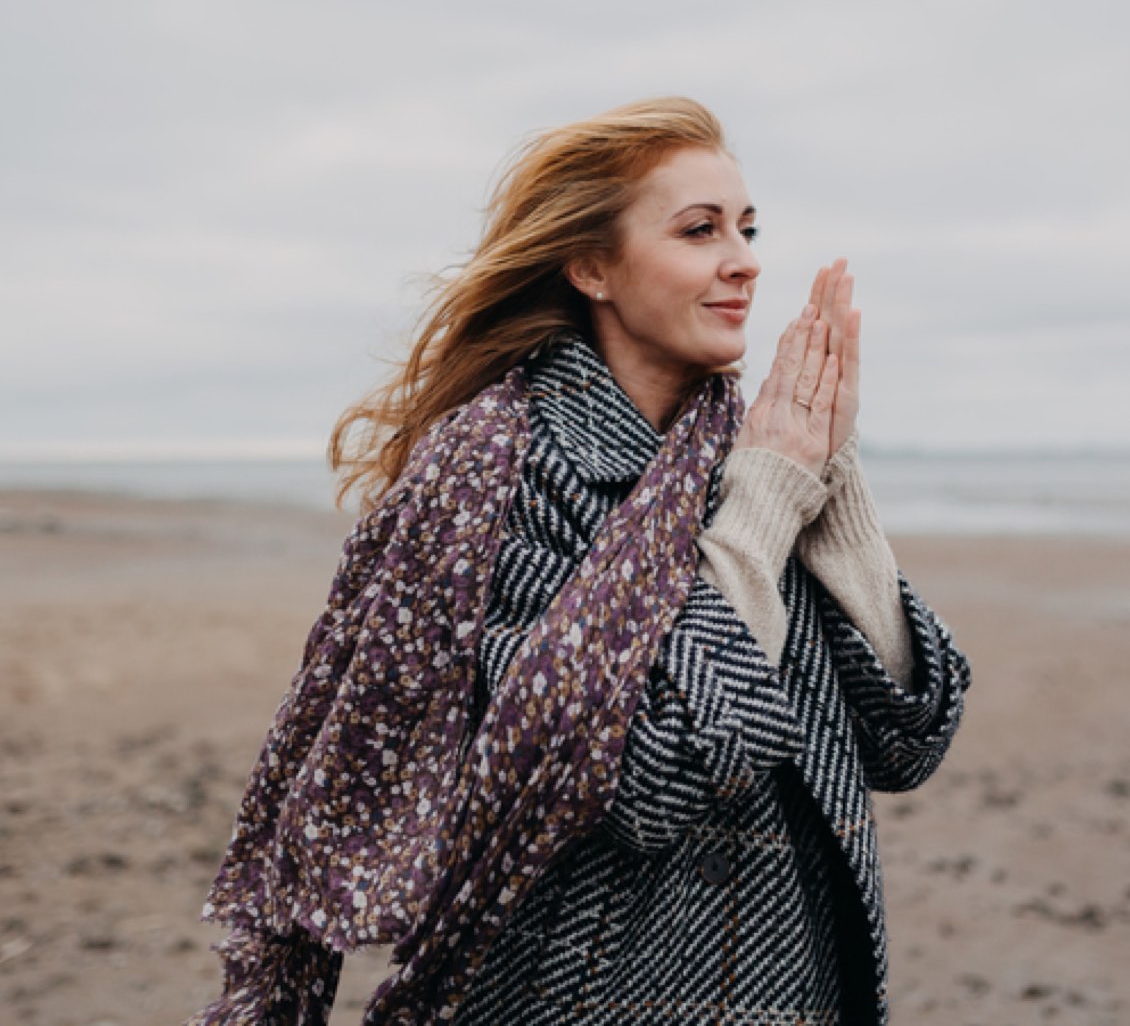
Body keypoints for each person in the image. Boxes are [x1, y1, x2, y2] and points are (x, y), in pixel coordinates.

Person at [188, 97, 970, 1026]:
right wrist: (765, 506)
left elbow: (906, 740)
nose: (746, 260)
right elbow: (646, 776)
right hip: (594, 995)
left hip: (808, 986)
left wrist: (831, 494)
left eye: (749, 228)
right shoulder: (498, 473)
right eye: (699, 229)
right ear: (593, 266)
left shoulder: (753, 453)